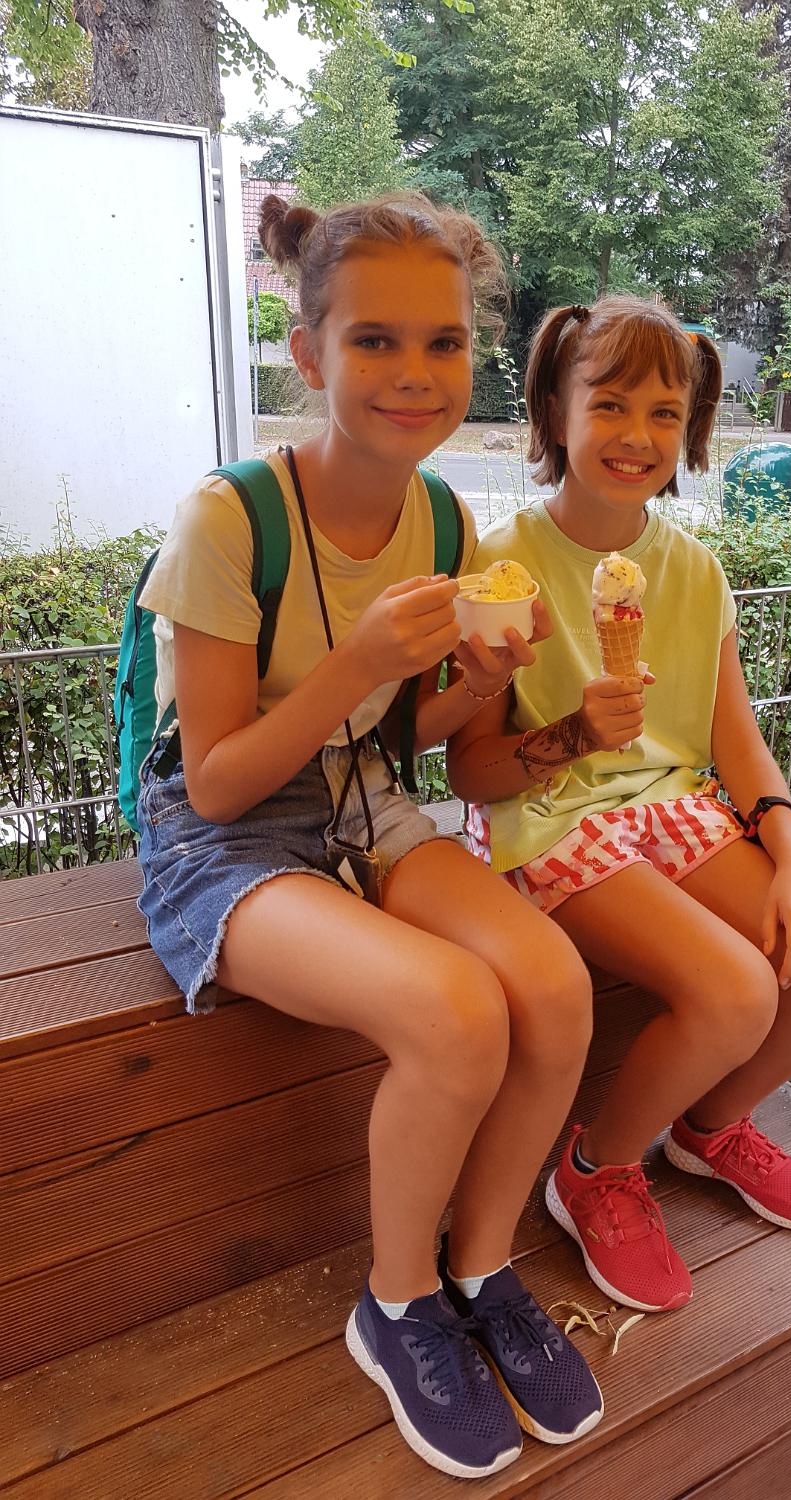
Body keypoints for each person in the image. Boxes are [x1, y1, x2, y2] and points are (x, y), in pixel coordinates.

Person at [134, 193, 603, 1480]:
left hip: (363, 799)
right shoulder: (230, 519)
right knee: (456, 1011)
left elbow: (410, 739)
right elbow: (216, 785)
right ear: (309, 353)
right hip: (224, 839)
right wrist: (356, 662)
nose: (414, 373)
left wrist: (479, 677)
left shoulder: (444, 521)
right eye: (375, 341)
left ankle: (481, 1269)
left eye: (443, 343)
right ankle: (396, 1305)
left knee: (554, 988)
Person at [447, 295, 791, 1315]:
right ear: (556, 412)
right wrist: (571, 736)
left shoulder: (692, 567)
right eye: (609, 403)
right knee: (735, 993)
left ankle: (704, 1128)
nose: (636, 434)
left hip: (675, 807)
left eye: (663, 412)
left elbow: (736, 743)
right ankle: (593, 1170)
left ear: (691, 427)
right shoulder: (501, 566)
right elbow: (470, 773)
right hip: (552, 818)